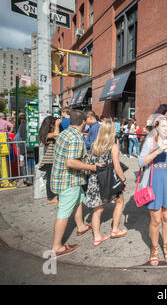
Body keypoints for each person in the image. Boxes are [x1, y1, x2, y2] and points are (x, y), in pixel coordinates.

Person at [50, 110, 102, 257]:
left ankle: (81, 226)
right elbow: (71, 161)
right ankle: (57, 247)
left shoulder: (65, 133)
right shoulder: (75, 138)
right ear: (84, 122)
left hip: (63, 178)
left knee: (79, 199)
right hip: (68, 180)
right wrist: (93, 167)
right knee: (63, 213)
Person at [138, 116, 167, 266]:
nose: (166, 129)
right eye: (163, 126)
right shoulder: (150, 141)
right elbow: (141, 162)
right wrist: (159, 150)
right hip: (154, 183)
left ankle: (165, 246)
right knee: (156, 220)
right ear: (156, 128)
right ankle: (154, 249)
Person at [84, 121, 128, 246]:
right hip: (108, 179)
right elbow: (117, 166)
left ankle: (97, 237)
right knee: (120, 201)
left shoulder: (95, 145)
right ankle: (115, 229)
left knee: (97, 210)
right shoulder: (113, 145)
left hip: (95, 179)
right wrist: (123, 180)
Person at [38, 116, 61, 203]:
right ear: (50, 125)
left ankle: (54, 196)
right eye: (54, 124)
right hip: (49, 160)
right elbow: (56, 134)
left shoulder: (48, 133)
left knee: (53, 178)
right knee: (50, 179)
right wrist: (57, 125)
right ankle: (50, 198)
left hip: (53, 159)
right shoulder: (46, 134)